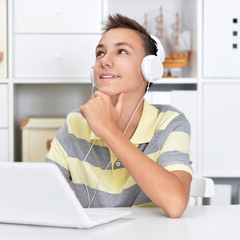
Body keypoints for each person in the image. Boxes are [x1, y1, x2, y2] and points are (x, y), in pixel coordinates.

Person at [44, 14, 192, 218]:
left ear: (149, 69)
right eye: (100, 53)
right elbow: (43, 195)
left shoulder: (170, 123)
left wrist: (108, 131)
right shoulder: (76, 122)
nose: (104, 60)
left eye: (121, 51)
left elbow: (176, 204)